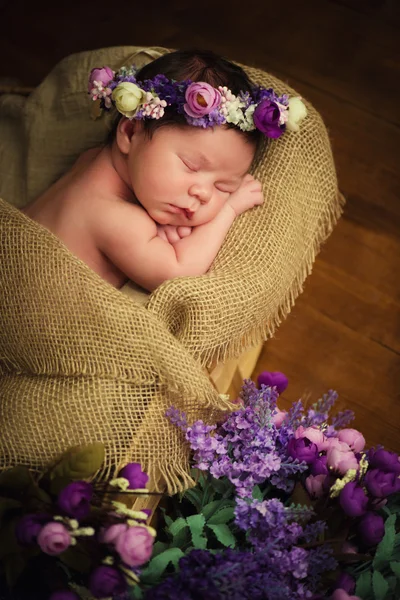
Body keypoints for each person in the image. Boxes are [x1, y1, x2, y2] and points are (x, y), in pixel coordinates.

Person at [21, 50, 306, 291]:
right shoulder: (112, 217)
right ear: (130, 133)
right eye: (191, 166)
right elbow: (178, 272)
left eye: (225, 187)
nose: (204, 193)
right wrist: (229, 209)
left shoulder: (92, 162)